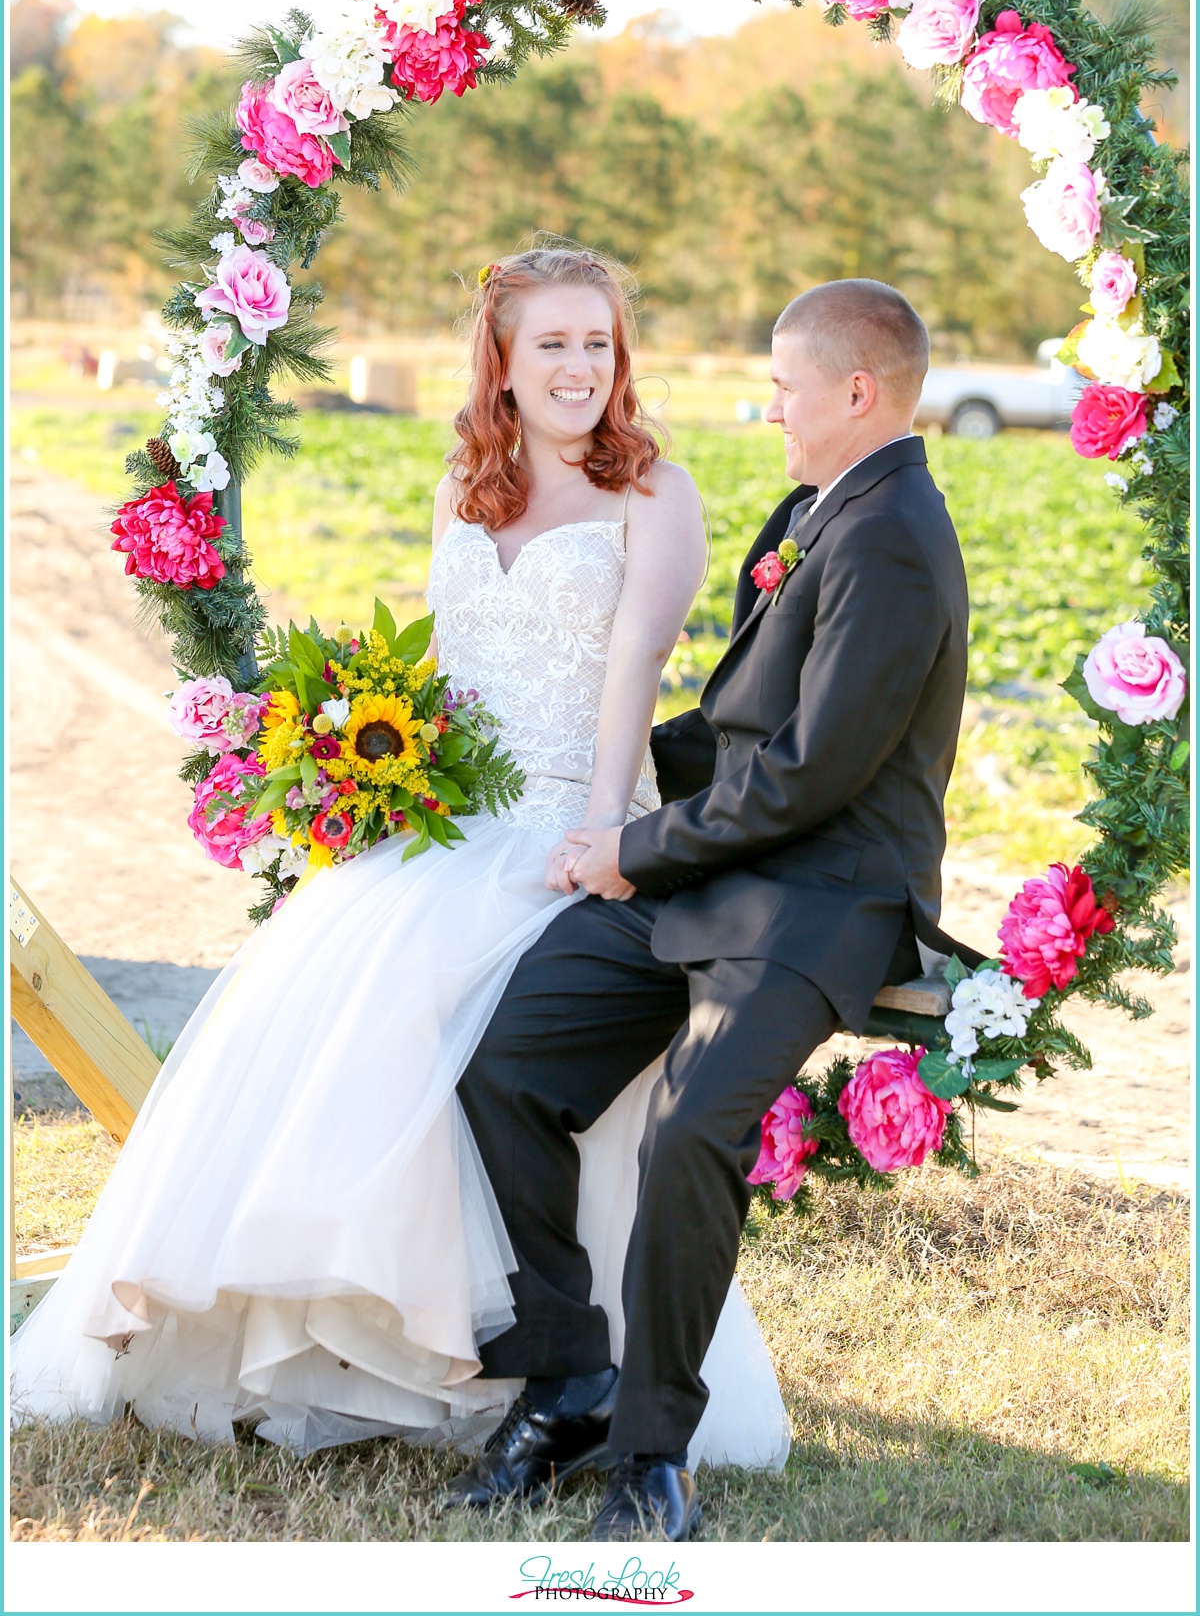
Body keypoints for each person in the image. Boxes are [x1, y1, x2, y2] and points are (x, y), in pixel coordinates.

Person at [9, 245, 793, 1475]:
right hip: (451, 822)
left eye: (598, 343)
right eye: (554, 345)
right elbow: (444, 682)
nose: (581, 367)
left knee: (476, 1032)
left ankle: (537, 1362)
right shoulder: (462, 493)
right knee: (329, 1012)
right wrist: (377, 784)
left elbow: (635, 673)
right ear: (503, 362)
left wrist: (602, 839)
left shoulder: (656, 494)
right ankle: (338, 1341)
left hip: (575, 821)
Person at [451, 277, 977, 1540]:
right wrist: (600, 780)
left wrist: (634, 846)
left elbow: (811, 778)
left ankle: (648, 1456)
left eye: (787, 388)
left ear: (857, 393)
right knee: (505, 1064)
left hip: (820, 898)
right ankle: (566, 1371)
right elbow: (747, 733)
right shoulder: (816, 507)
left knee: (687, 1133)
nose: (771, 408)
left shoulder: (896, 533)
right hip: (726, 865)